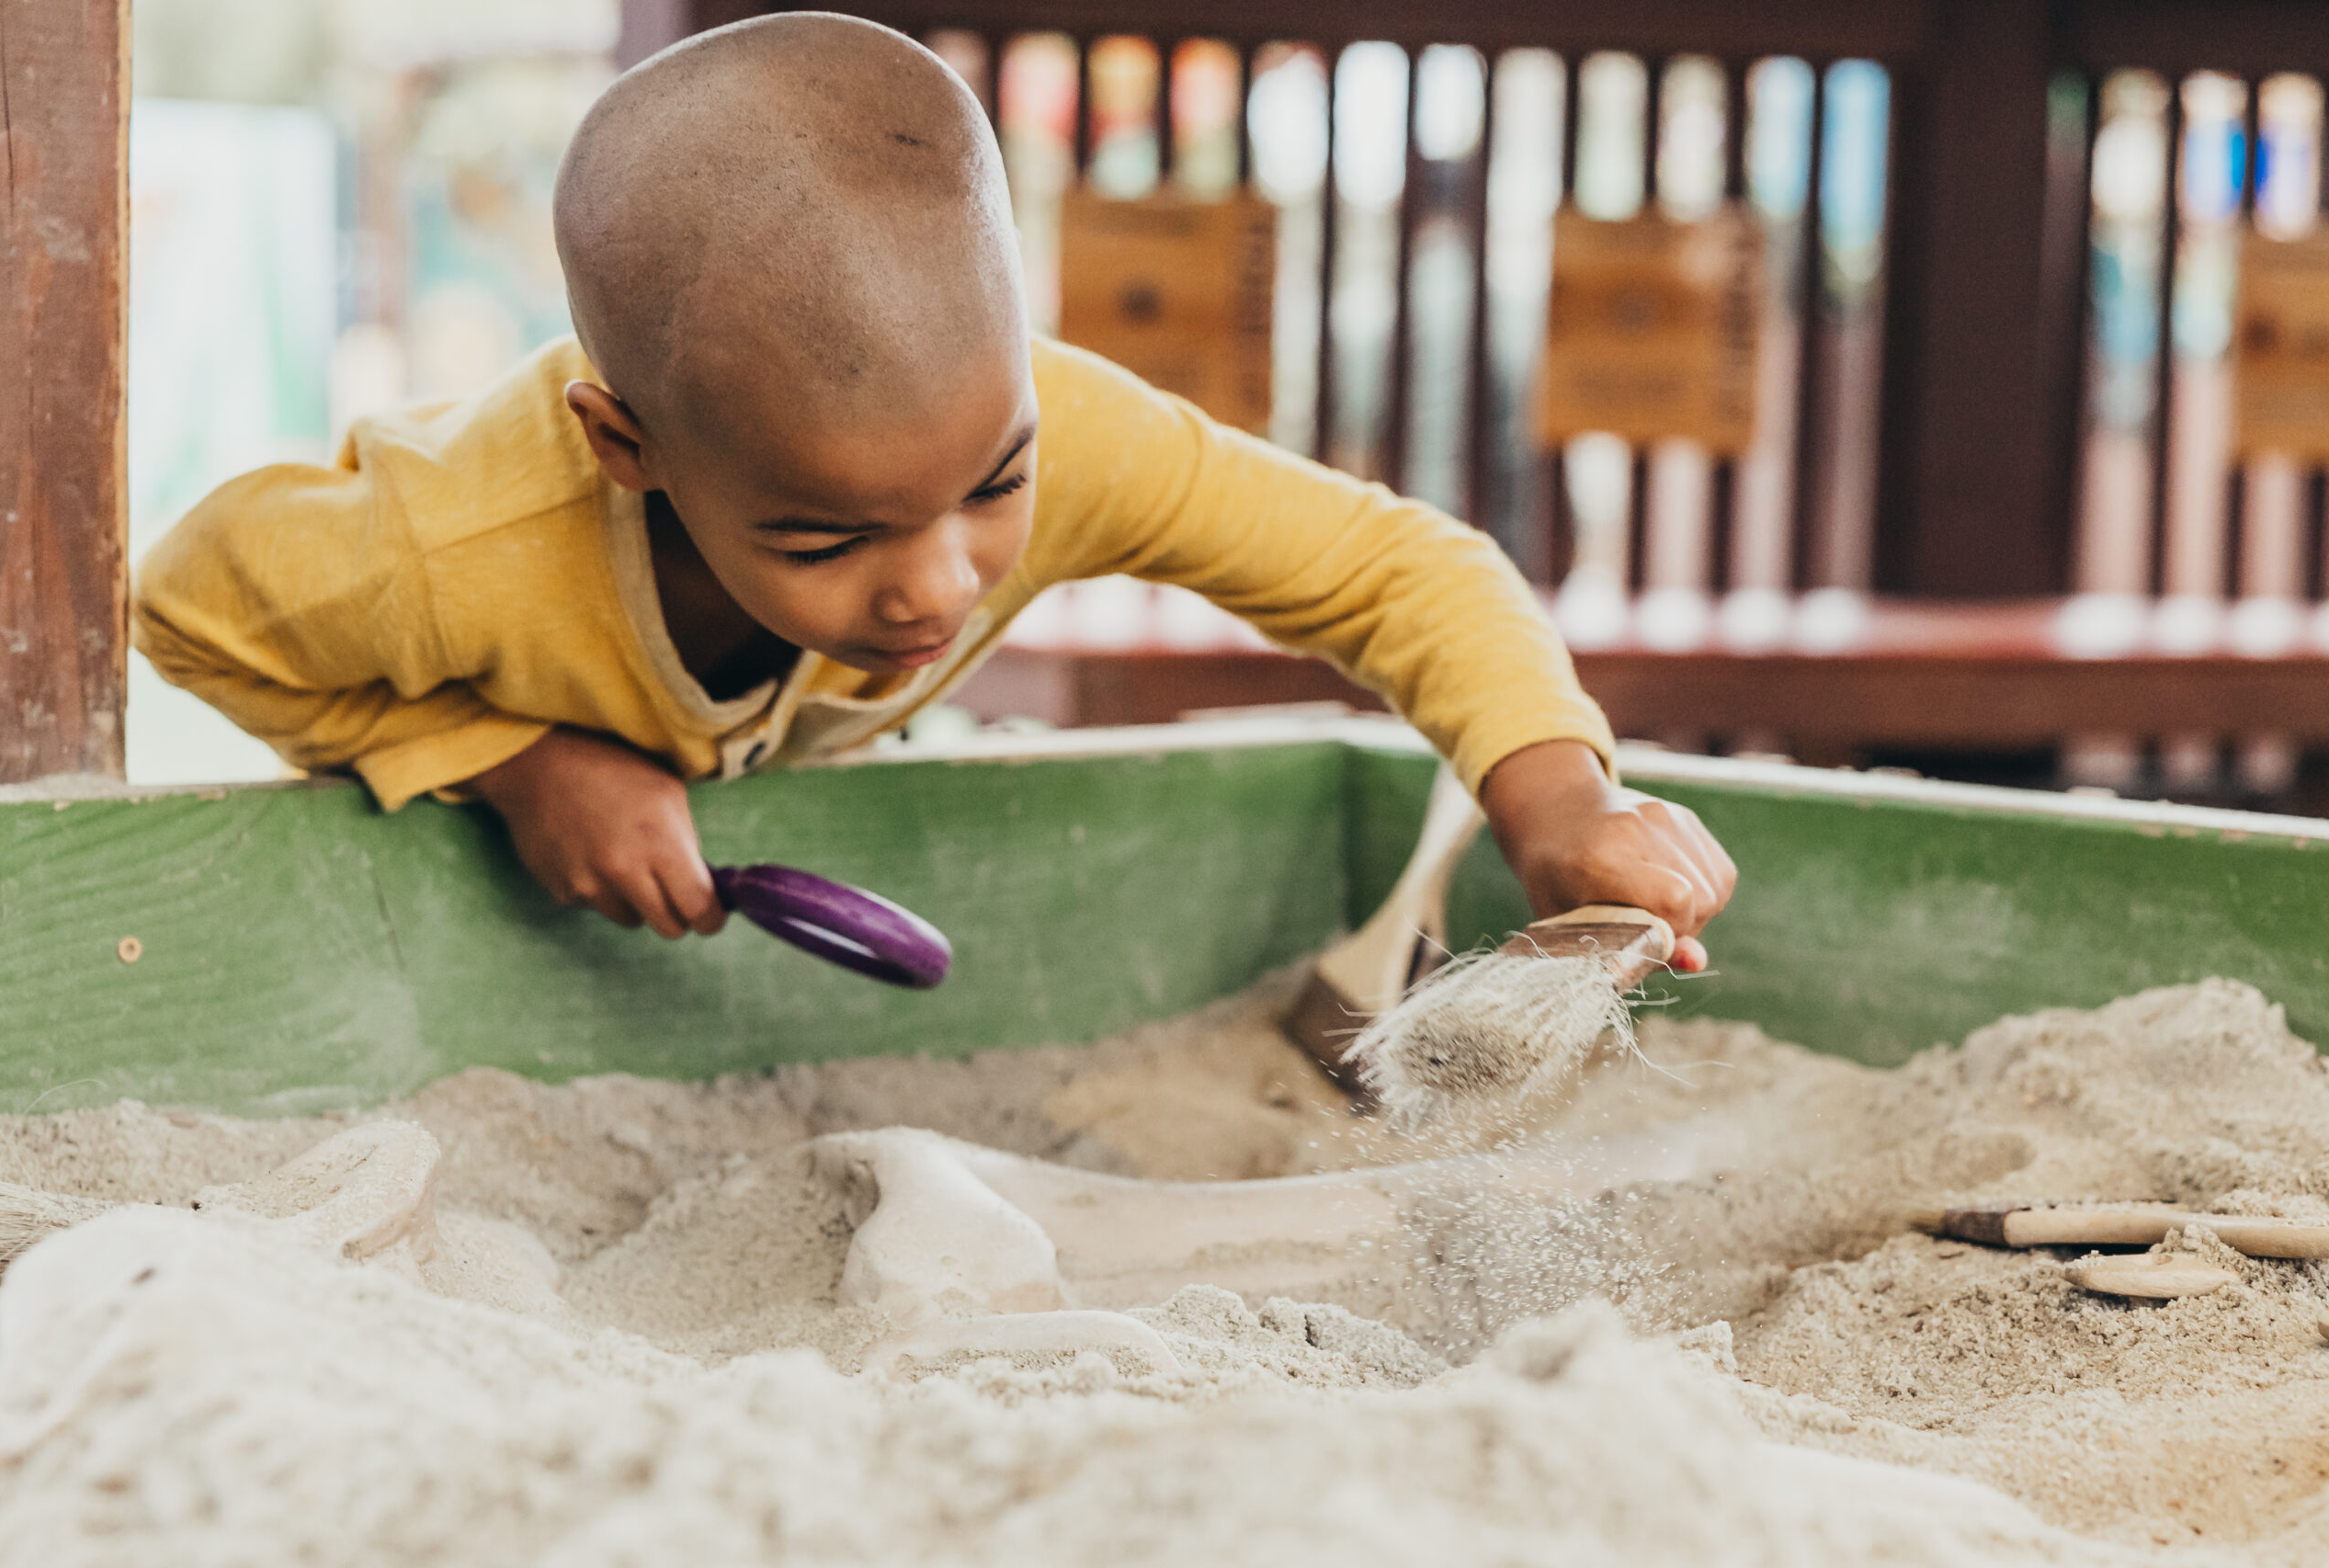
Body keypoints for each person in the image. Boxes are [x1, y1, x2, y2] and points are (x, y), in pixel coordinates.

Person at [136, 12, 1736, 964]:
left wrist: (1559, 796)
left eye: (991, 484)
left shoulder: (1066, 432)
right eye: (827, 538)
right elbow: (186, 606)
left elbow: (1400, 570)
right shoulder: (453, 541)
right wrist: (509, 760)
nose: (938, 587)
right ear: (632, 450)